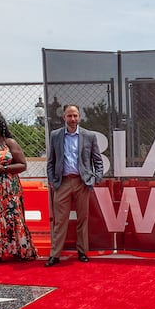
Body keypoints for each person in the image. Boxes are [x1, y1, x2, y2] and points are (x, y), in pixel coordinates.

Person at [45, 104, 103, 267]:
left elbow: (97, 160)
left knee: (82, 219)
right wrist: (51, 181)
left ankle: (82, 252)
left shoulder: (89, 136)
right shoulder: (56, 135)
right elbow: (51, 161)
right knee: (60, 221)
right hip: (62, 183)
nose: (73, 119)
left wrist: (96, 178)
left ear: (79, 117)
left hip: (82, 182)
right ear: (64, 117)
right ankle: (55, 255)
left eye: (75, 115)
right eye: (69, 116)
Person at [0, 108, 37, 263]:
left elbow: (22, 165)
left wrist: (3, 168)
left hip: (9, 188)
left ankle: (21, 251)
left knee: (12, 217)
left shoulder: (9, 142)